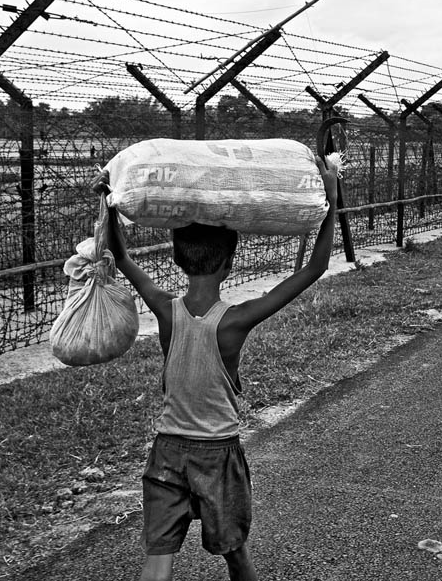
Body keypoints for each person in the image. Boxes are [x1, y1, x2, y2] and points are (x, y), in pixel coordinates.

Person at [93, 159, 338, 581]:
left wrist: (109, 202)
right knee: (235, 554)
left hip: (167, 451)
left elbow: (124, 259)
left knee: (157, 563)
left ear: (176, 260)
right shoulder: (236, 320)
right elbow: (315, 269)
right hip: (217, 455)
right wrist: (332, 201)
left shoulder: (165, 310)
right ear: (229, 265)